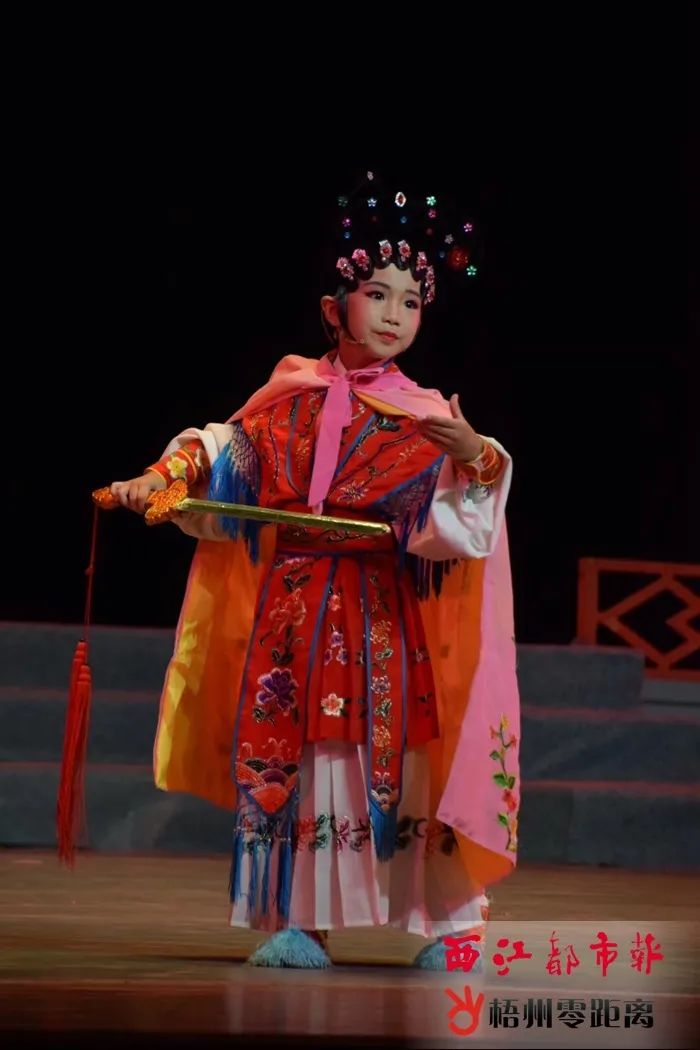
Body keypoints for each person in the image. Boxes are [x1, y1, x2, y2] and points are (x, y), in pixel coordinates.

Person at [108, 176, 520, 969]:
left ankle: (450, 926)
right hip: (292, 617)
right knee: (307, 764)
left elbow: (458, 527)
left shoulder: (426, 416)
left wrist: (476, 458)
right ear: (335, 308)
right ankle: (301, 920)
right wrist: (160, 478)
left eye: (411, 301)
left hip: (380, 617)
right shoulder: (287, 399)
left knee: (402, 763)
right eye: (377, 294)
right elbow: (222, 453)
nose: (395, 314)